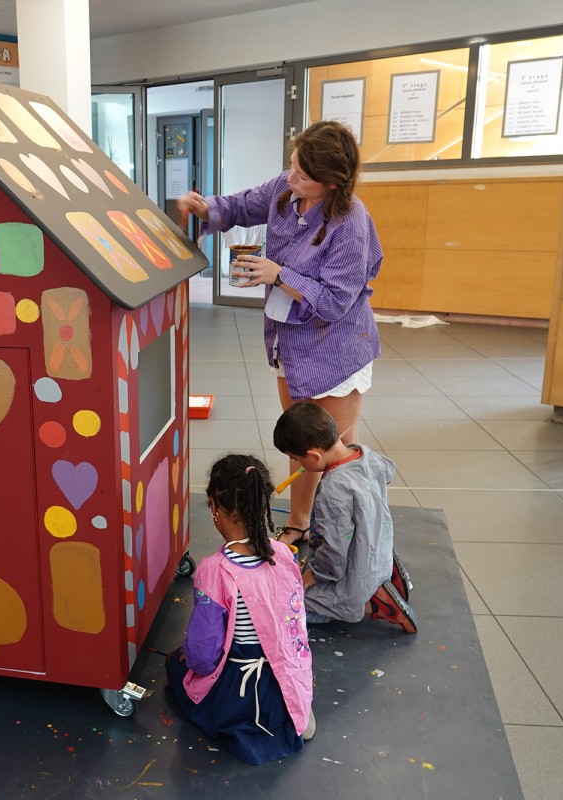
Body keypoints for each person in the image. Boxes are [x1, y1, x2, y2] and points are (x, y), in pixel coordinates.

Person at [177, 120, 383, 543]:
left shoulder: (351, 221)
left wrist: (278, 274)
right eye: (291, 165)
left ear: (330, 183)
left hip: (335, 346)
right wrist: (204, 208)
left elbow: (335, 301)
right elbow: (237, 206)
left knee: (320, 448)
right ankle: (333, 520)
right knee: (319, 441)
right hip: (291, 341)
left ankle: (318, 525)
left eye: (303, 175)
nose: (291, 177)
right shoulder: (286, 189)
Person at [166, 454, 314, 764]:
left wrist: (189, 658)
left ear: (214, 508)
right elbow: (294, 622)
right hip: (282, 667)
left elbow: (205, 654)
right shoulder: (284, 554)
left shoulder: (214, 570)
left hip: (240, 683)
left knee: (176, 666)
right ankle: (293, 712)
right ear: (263, 506)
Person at [272, 401, 416, 634]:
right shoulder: (365, 454)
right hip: (378, 552)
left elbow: (334, 548)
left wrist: (316, 574)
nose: (298, 464)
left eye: (297, 459)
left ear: (314, 455)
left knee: (287, 605)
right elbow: (389, 469)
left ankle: (372, 601)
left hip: (355, 575)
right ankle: (382, 581)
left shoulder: (332, 490)